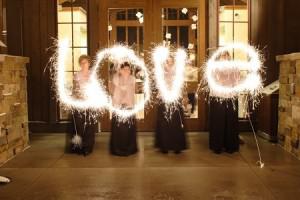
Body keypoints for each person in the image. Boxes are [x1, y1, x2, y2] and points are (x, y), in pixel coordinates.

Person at [209, 51, 239, 154]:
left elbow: (237, 81)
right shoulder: (215, 68)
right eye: (223, 55)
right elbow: (212, 81)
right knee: (218, 122)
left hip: (230, 97)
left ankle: (230, 146)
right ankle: (217, 146)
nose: (225, 57)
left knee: (230, 123)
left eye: (227, 55)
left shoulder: (234, 67)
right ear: (220, 57)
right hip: (218, 97)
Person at [155, 57, 188, 154]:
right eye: (167, 62)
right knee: (164, 123)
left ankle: (177, 146)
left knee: (176, 123)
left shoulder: (178, 73)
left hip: (175, 99)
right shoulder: (161, 72)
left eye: (171, 62)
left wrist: (184, 97)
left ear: (174, 63)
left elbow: (182, 85)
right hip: (164, 99)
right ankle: (164, 145)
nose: (169, 64)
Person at [110, 62, 138, 156]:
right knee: (119, 129)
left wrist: (127, 99)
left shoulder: (132, 79)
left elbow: (134, 91)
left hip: (129, 106)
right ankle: (118, 148)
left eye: (129, 69)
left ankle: (129, 148)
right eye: (125, 69)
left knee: (129, 128)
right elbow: (112, 91)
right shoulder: (116, 78)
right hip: (118, 106)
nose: (127, 71)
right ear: (121, 70)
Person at [71, 55, 96, 156]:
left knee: (89, 126)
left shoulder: (92, 75)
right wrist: (75, 98)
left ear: (89, 63)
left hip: (90, 103)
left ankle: (88, 147)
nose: (83, 64)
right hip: (80, 103)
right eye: (81, 63)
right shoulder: (76, 75)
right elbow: (75, 89)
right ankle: (79, 146)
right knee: (79, 125)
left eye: (85, 62)